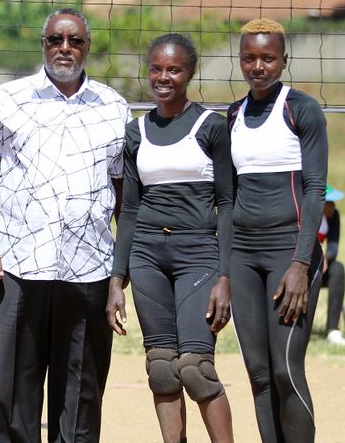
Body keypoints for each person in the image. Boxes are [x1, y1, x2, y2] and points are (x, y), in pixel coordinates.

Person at [0, 8, 130, 443]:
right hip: (21, 262)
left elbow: (122, 191)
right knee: (17, 389)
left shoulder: (114, 106)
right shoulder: (8, 98)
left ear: (87, 47)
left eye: (75, 40)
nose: (65, 47)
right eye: (56, 39)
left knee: (81, 391)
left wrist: (122, 267)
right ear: (43, 44)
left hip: (90, 265)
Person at [106, 33, 234, 443]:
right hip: (146, 255)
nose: (163, 77)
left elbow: (228, 204)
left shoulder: (212, 126)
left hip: (198, 252)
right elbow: (127, 209)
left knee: (195, 368)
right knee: (161, 366)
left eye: (174, 69)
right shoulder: (136, 130)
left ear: (189, 73)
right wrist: (116, 278)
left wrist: (225, 276)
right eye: (157, 68)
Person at [225, 18, 327, 443]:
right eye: (249, 58)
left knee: (286, 368)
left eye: (268, 58)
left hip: (290, 253)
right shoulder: (232, 113)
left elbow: (315, 188)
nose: (258, 66)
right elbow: (226, 198)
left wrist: (302, 263)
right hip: (245, 258)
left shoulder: (300, 108)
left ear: (284, 60)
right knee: (260, 373)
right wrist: (225, 270)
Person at [319, 185, 345, 346]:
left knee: (338, 269)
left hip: (319, 266)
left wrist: (326, 258)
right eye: (331, 202)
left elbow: (333, 246)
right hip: (297, 268)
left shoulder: (333, 216)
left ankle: (332, 329)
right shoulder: (302, 214)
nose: (334, 207)